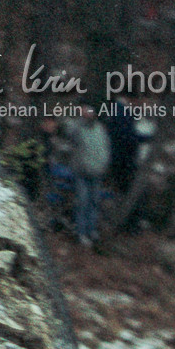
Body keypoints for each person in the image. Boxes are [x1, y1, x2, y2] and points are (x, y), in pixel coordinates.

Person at [66, 106, 110, 247]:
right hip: (82, 171)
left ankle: (92, 230)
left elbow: (106, 147)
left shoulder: (100, 129)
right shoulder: (78, 128)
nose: (89, 115)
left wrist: (104, 163)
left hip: (97, 171)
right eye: (86, 113)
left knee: (94, 202)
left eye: (91, 113)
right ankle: (81, 232)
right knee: (83, 202)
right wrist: (79, 118)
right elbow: (70, 133)